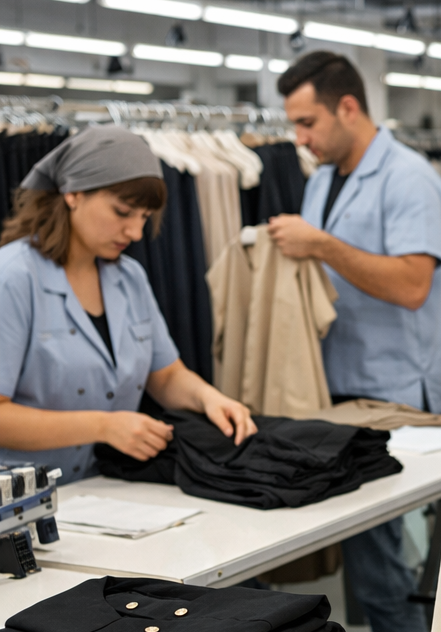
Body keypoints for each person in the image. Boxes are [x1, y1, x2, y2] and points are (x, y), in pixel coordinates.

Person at [268, 51, 441, 632]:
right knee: (366, 564)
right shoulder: (321, 178)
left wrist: (319, 244)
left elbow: (411, 285)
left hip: (393, 391)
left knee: (385, 571)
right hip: (338, 384)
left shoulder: (409, 178)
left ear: (349, 107)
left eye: (308, 121)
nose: (301, 137)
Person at [0, 126, 257, 484]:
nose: (136, 234)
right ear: (73, 194)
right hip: (22, 501)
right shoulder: (12, 277)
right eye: (123, 212)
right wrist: (104, 426)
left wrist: (208, 398)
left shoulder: (129, 278)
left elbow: (165, 375)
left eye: (144, 218)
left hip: (104, 485)